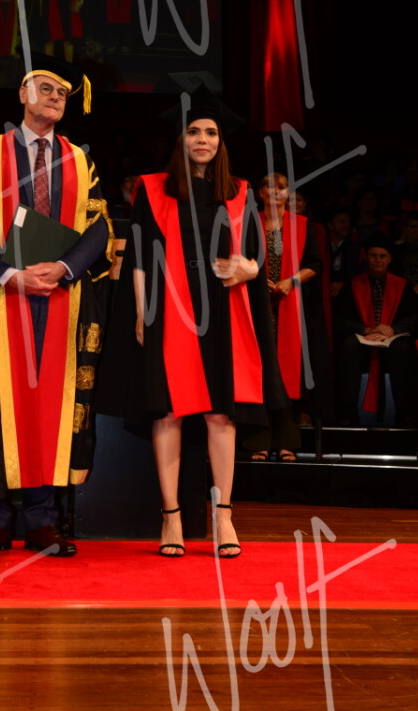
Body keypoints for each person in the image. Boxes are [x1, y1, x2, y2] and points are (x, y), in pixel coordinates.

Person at [96, 87, 286, 558]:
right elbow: (140, 257)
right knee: (169, 411)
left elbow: (257, 257)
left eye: (211, 133)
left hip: (224, 310)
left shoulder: (240, 192)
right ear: (180, 139)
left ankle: (224, 516)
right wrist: (141, 313)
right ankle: (171, 516)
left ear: (221, 141)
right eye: (195, 131)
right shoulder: (154, 189)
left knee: (222, 413)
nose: (203, 139)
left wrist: (247, 269)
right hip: (170, 309)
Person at [0, 54, 112, 557]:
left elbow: (99, 226)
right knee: (0, 399)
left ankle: (43, 519)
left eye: (62, 92)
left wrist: (63, 268)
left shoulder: (80, 160)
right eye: (46, 88)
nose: (55, 97)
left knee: (49, 403)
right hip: (2, 297)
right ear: (23, 94)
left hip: (59, 297)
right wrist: (9, 273)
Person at [245, 173, 334, 460]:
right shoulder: (249, 223)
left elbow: (314, 264)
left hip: (290, 305)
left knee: (286, 374)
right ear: (260, 193)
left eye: (281, 188)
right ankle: (258, 441)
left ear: (288, 193)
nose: (275, 192)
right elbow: (241, 259)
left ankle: (286, 442)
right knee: (259, 371)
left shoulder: (302, 225)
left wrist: (291, 281)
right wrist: (257, 279)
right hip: (256, 305)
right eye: (269, 187)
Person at [333, 232, 418, 426]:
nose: (378, 260)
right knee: (348, 347)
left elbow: (412, 317)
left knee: (403, 349)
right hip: (363, 337)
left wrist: (392, 329)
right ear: (366, 258)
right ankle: (348, 410)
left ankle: (404, 411)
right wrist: (367, 329)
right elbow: (341, 319)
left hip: (392, 338)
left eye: (382, 256)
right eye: (373, 255)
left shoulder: (402, 285)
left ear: (389, 259)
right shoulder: (353, 284)